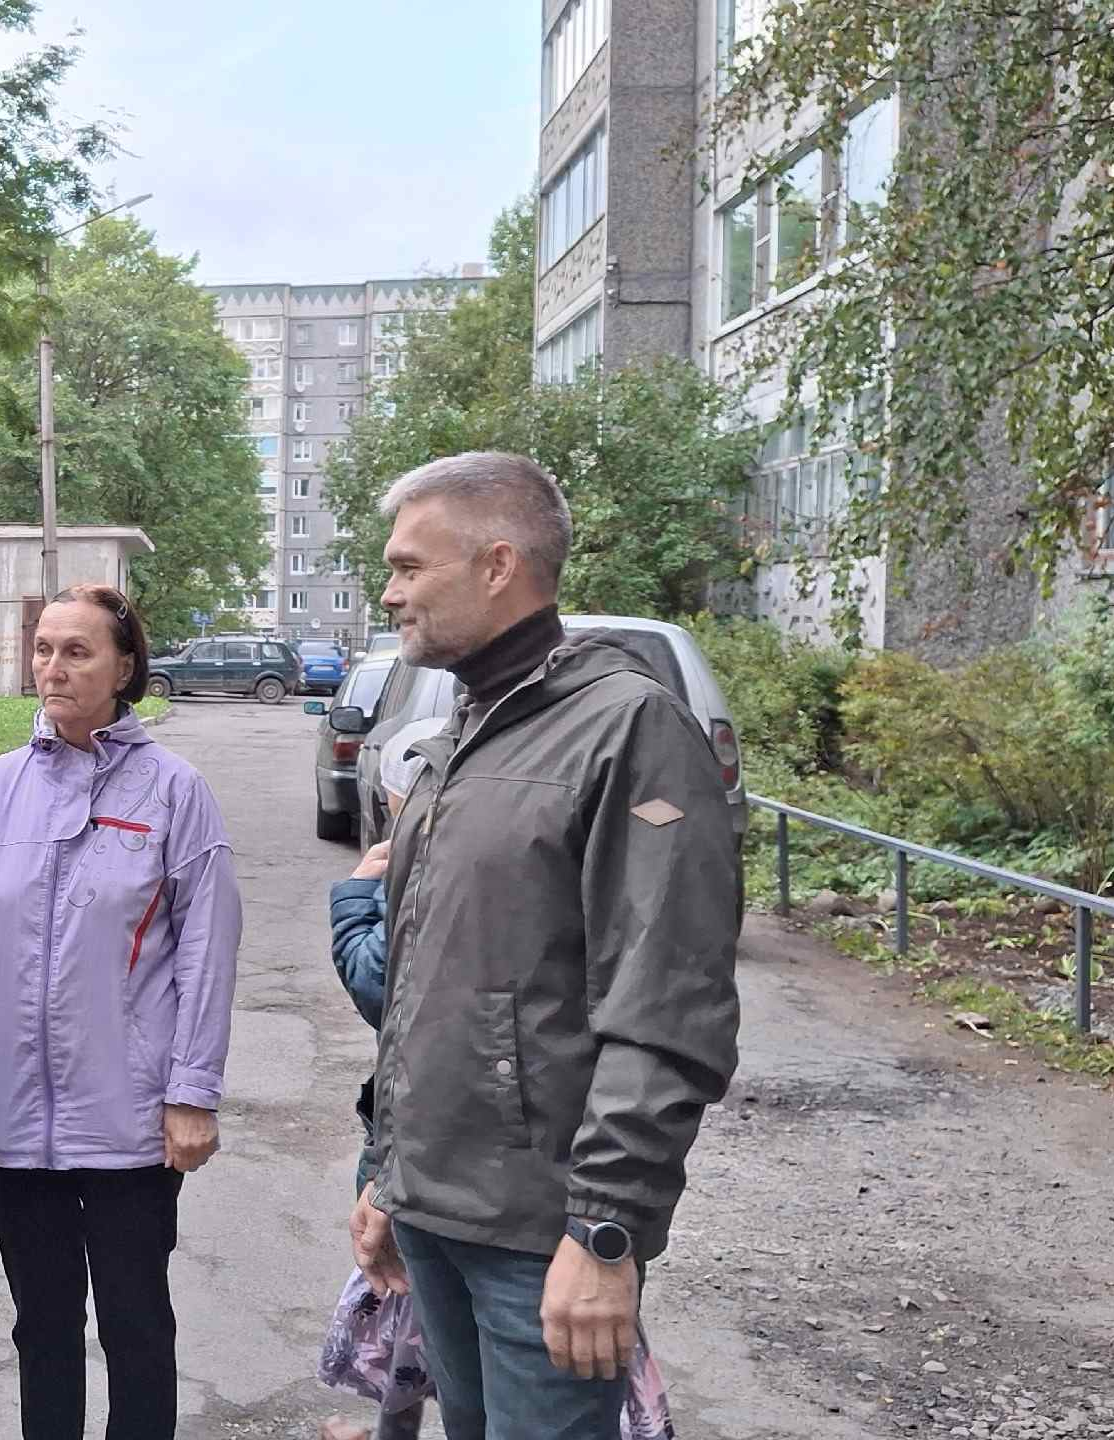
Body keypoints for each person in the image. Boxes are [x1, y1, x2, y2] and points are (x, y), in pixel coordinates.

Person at [346, 452, 741, 1439]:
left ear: (497, 565)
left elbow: (665, 1005)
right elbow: (426, 988)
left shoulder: (628, 730)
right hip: (433, 1212)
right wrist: (388, 1172)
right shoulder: (465, 731)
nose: (390, 592)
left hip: (538, 1238)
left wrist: (606, 1230)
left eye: (408, 567)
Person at [0, 582, 243, 1440]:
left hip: (130, 1118)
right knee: (42, 1329)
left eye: (77, 651)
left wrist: (192, 1094)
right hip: (17, 1112)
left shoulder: (173, 792)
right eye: (43, 649)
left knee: (136, 1326)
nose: (53, 668)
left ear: (124, 667)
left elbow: (207, 953)